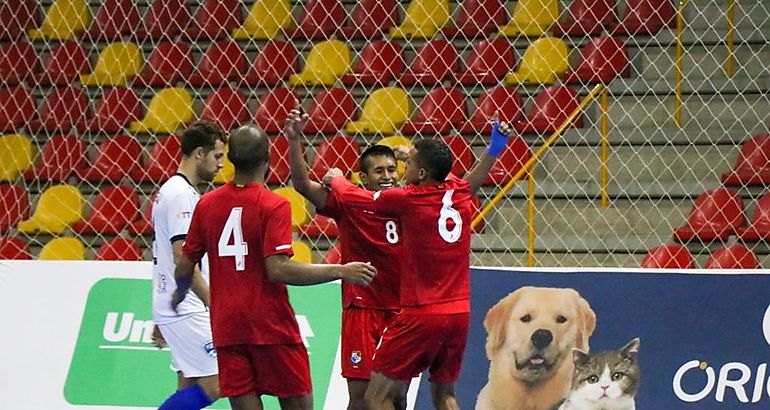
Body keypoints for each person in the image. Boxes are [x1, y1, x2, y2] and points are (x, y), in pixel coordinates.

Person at [171, 124, 378, 410]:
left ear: (230, 159)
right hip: (271, 327)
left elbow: (183, 268)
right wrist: (341, 270)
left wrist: (178, 296)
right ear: (267, 160)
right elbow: (278, 269)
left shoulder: (206, 204)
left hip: (228, 328)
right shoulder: (273, 205)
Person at [324, 122, 513, 410]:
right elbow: (470, 178)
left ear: (421, 173)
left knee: (375, 396)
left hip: (421, 313)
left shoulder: (408, 199)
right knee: (445, 395)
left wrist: (337, 179)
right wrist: (493, 151)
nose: (402, 168)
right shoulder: (459, 192)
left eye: (408, 163)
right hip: (459, 313)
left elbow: (355, 197)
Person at [285, 106, 403, 410]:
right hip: (361, 309)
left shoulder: (408, 201)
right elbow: (302, 185)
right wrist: (294, 141)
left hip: (400, 310)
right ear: (363, 177)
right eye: (379, 171)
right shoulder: (348, 203)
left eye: (392, 170)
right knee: (360, 397)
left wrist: (411, 152)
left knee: (396, 397)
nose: (387, 176)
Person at [153, 121, 227, 410]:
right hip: (189, 307)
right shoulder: (182, 195)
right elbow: (180, 255)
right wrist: (213, 302)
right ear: (199, 153)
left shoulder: (173, 190)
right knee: (217, 383)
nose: (221, 165)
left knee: (189, 384)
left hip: (177, 305)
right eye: (217, 156)